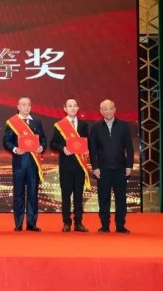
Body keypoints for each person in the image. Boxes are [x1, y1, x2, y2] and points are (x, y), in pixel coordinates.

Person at [88, 99, 134, 234]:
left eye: (110, 108)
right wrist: (95, 167)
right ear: (101, 111)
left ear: (115, 109)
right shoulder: (96, 127)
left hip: (120, 168)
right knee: (103, 198)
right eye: (105, 109)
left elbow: (129, 148)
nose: (108, 111)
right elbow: (92, 149)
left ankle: (120, 225)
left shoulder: (123, 126)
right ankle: (104, 225)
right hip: (102, 169)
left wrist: (129, 166)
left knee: (121, 199)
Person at [3, 96, 47, 232]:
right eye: (23, 104)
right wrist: (15, 149)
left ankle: (31, 223)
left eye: (28, 104)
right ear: (18, 107)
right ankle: (18, 223)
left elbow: (43, 139)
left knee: (33, 194)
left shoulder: (37, 122)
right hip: (19, 163)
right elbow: (6, 141)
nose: (26, 107)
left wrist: (41, 147)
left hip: (33, 164)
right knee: (19, 194)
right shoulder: (12, 122)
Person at [50, 98, 90, 233]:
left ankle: (78, 222)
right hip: (66, 166)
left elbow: (88, 141)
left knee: (79, 195)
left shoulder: (84, 125)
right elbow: (53, 143)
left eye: (74, 106)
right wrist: (63, 149)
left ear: (77, 108)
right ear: (65, 109)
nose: (72, 108)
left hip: (80, 165)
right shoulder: (59, 125)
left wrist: (87, 149)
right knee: (66, 195)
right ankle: (66, 222)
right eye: (70, 106)